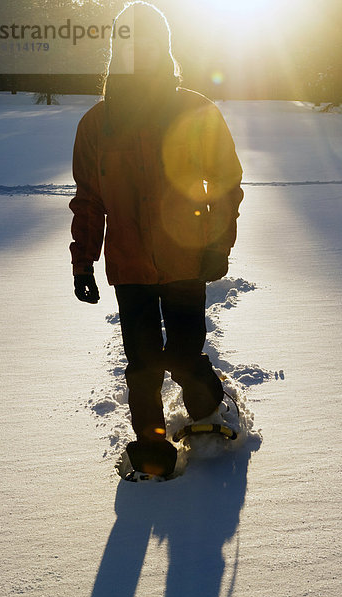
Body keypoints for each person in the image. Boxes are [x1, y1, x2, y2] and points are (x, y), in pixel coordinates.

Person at [69, 1, 243, 479]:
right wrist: (82, 263)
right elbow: (89, 200)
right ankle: (151, 445)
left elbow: (226, 182)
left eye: (148, 44)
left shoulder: (195, 110)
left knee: (184, 355)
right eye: (127, 45)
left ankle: (209, 414)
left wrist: (217, 242)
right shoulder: (96, 124)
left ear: (164, 50)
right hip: (130, 267)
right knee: (142, 364)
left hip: (187, 258)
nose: (138, 54)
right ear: (114, 54)